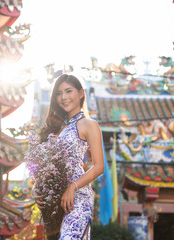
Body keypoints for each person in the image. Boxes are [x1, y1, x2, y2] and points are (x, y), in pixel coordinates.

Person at [33, 74, 104, 239]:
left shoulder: (89, 125)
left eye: (68, 91)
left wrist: (72, 187)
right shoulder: (53, 128)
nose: (63, 97)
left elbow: (99, 166)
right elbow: (43, 165)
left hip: (77, 197)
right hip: (53, 200)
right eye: (58, 93)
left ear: (80, 93)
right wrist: (36, 188)